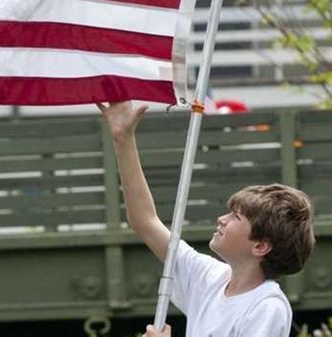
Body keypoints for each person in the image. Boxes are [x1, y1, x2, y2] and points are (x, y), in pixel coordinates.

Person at [96, 101, 315, 337]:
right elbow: (145, 221)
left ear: (260, 246)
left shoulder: (267, 307)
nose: (222, 219)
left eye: (235, 216)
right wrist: (123, 138)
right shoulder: (209, 278)